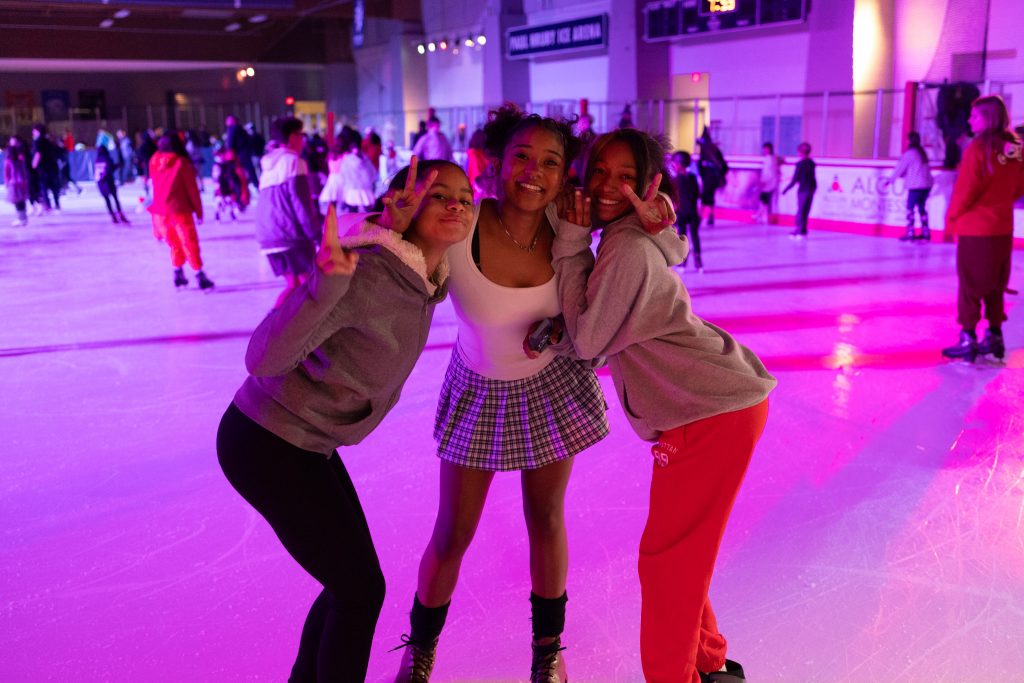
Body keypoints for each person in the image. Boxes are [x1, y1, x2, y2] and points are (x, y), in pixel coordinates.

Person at [391, 105, 674, 683]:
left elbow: (647, 240)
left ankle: (548, 652)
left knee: (545, 516)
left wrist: (667, 227)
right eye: (522, 156)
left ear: (565, 173)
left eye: (550, 162)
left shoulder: (574, 220)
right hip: (479, 389)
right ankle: (420, 650)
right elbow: (393, 254)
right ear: (496, 162)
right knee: (453, 531)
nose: (533, 172)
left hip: (551, 388)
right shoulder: (460, 222)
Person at [216, 159, 473, 683]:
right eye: (438, 193)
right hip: (268, 440)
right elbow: (263, 358)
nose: (457, 204)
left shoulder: (420, 277)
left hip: (306, 443)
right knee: (359, 590)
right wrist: (324, 285)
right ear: (403, 202)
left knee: (348, 586)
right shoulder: (368, 271)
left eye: (465, 196)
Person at [547, 127, 777, 683]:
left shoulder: (623, 247)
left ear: (647, 185)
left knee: (670, 564)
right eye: (599, 171)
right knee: (674, 556)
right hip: (710, 406)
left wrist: (572, 243)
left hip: (708, 414)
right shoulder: (630, 235)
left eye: (625, 177)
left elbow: (588, 340)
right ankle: (708, 662)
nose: (606, 186)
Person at [940, 95, 1024, 362]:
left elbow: (965, 191)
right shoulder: (1014, 148)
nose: (968, 120)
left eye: (974, 116)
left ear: (987, 118)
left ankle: (968, 337)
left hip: (976, 229)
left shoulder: (978, 148)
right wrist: (999, 203)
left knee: (970, 285)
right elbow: (1020, 186)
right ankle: (995, 334)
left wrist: (951, 219)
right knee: (996, 284)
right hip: (1002, 227)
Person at [257, 116, 321, 309]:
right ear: (292, 136)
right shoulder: (294, 162)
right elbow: (300, 203)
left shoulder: (268, 166)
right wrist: (315, 232)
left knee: (295, 284)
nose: (303, 140)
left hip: (267, 234)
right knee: (309, 285)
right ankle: (275, 325)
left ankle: (274, 326)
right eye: (301, 135)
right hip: (288, 234)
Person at [148, 132, 214, 290]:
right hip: (179, 211)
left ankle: (178, 273)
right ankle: (199, 275)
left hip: (159, 213)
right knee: (188, 242)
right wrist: (199, 211)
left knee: (174, 244)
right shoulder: (181, 163)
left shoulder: (154, 161)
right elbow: (192, 190)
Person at [890, 131, 934, 242]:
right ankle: (925, 233)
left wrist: (891, 180)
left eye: (907, 139)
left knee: (910, 208)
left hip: (916, 185)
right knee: (922, 208)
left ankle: (910, 233)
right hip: (926, 185)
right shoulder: (922, 152)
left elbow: (900, 168)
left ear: (910, 140)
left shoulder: (910, 153)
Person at [671, 150, 703, 270]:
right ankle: (698, 262)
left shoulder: (676, 180)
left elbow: (674, 199)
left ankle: (684, 262)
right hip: (693, 212)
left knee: (684, 238)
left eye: (674, 163)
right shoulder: (693, 178)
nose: (673, 166)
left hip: (683, 213)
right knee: (694, 237)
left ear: (679, 164)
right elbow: (698, 195)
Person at [782, 142, 817, 238]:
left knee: (801, 211)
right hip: (810, 190)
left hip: (803, 190)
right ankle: (803, 230)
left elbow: (795, 179)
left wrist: (786, 189)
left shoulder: (800, 164)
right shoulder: (812, 163)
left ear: (800, 152)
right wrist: (814, 188)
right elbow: (813, 178)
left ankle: (799, 231)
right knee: (806, 210)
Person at [697, 129, 728, 227]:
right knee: (709, 197)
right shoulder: (712, 149)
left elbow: (721, 165)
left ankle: (702, 216)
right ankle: (709, 216)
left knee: (706, 196)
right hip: (712, 177)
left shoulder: (707, 150)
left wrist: (704, 167)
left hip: (709, 177)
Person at [30, 124, 62, 213]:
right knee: (53, 187)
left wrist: (33, 166)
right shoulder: (49, 141)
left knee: (43, 187)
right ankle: (57, 205)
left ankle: (47, 206)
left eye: (34, 131)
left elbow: (38, 154)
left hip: (43, 168)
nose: (33, 132)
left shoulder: (37, 141)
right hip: (52, 167)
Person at [94, 146, 129, 224]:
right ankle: (120, 214)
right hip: (108, 181)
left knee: (107, 200)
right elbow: (110, 169)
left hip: (100, 182)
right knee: (115, 198)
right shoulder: (107, 158)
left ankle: (112, 215)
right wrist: (118, 165)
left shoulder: (97, 160)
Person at [4, 136, 30, 227]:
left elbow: (7, 173)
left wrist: (7, 182)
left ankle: (21, 218)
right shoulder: (21, 159)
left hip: (14, 183)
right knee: (21, 200)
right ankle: (23, 218)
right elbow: (24, 170)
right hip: (21, 182)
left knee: (17, 201)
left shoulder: (9, 161)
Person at [752, 142, 779, 224]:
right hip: (769, 181)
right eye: (764, 149)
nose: (765, 150)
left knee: (764, 199)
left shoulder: (770, 159)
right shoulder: (771, 158)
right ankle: (762, 216)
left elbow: (769, 172)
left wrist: (763, 181)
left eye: (766, 148)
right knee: (764, 200)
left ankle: (760, 215)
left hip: (768, 181)